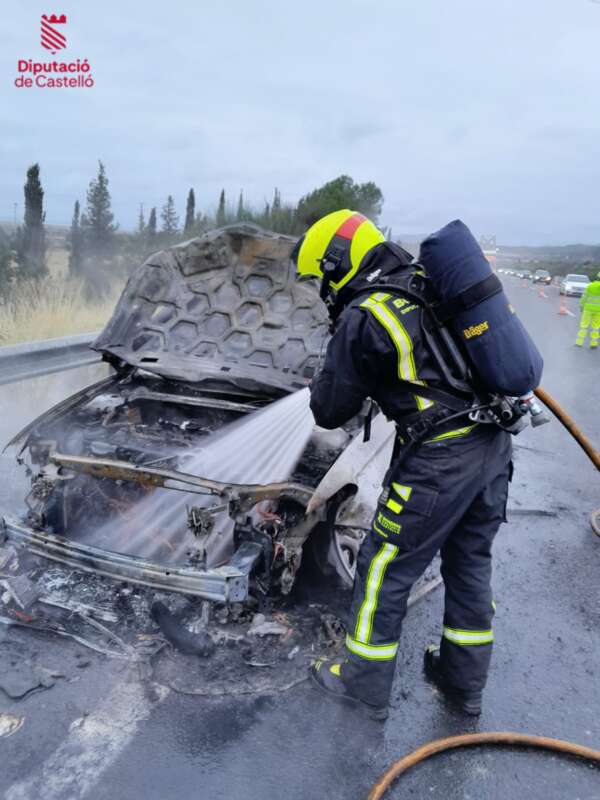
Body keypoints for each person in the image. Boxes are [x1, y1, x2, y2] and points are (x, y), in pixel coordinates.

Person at [291, 209, 513, 721]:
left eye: (321, 277)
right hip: (493, 447)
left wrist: (324, 376)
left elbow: (329, 410)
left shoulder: (366, 313)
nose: (323, 289)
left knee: (382, 568)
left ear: (336, 264)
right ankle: (463, 685)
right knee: (470, 562)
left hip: (441, 460)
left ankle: (360, 686)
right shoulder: (425, 284)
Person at [575, 272, 600, 349]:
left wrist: (581, 306)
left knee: (584, 326)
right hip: (598, 310)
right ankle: (593, 344)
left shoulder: (590, 286)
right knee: (595, 327)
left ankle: (579, 342)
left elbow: (584, 297)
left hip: (588, 309)